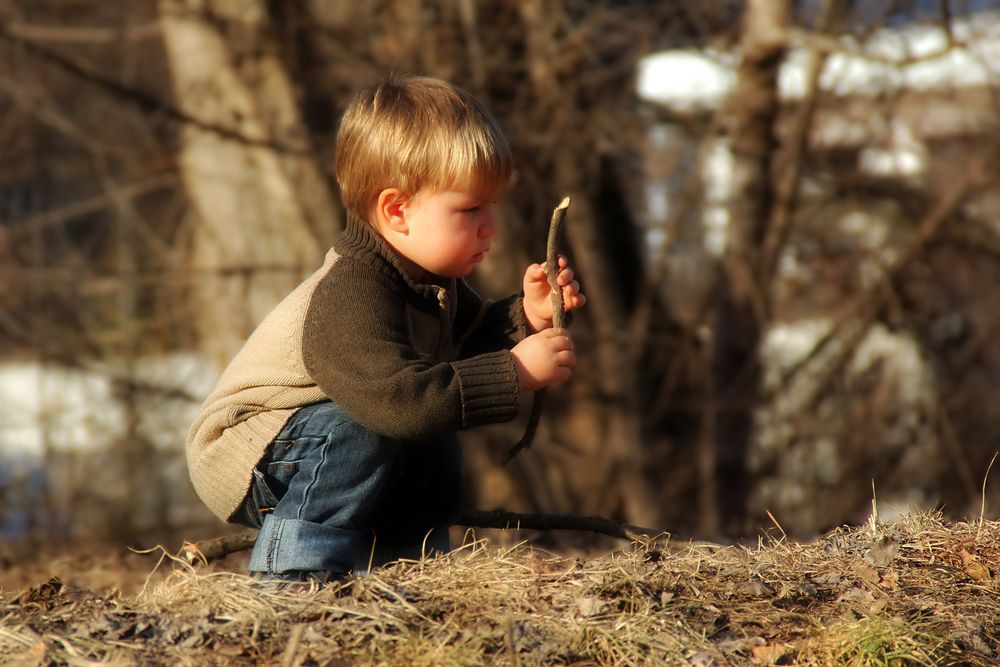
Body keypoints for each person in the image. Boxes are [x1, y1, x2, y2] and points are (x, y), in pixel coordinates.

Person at [185, 74, 585, 584]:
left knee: (432, 441)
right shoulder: (352, 293)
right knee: (370, 428)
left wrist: (526, 317)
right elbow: (401, 402)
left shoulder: (429, 282)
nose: (492, 225)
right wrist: (514, 371)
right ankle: (292, 581)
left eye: (491, 206)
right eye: (470, 209)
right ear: (396, 211)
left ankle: (400, 571)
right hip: (248, 452)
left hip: (319, 435)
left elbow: (462, 349)